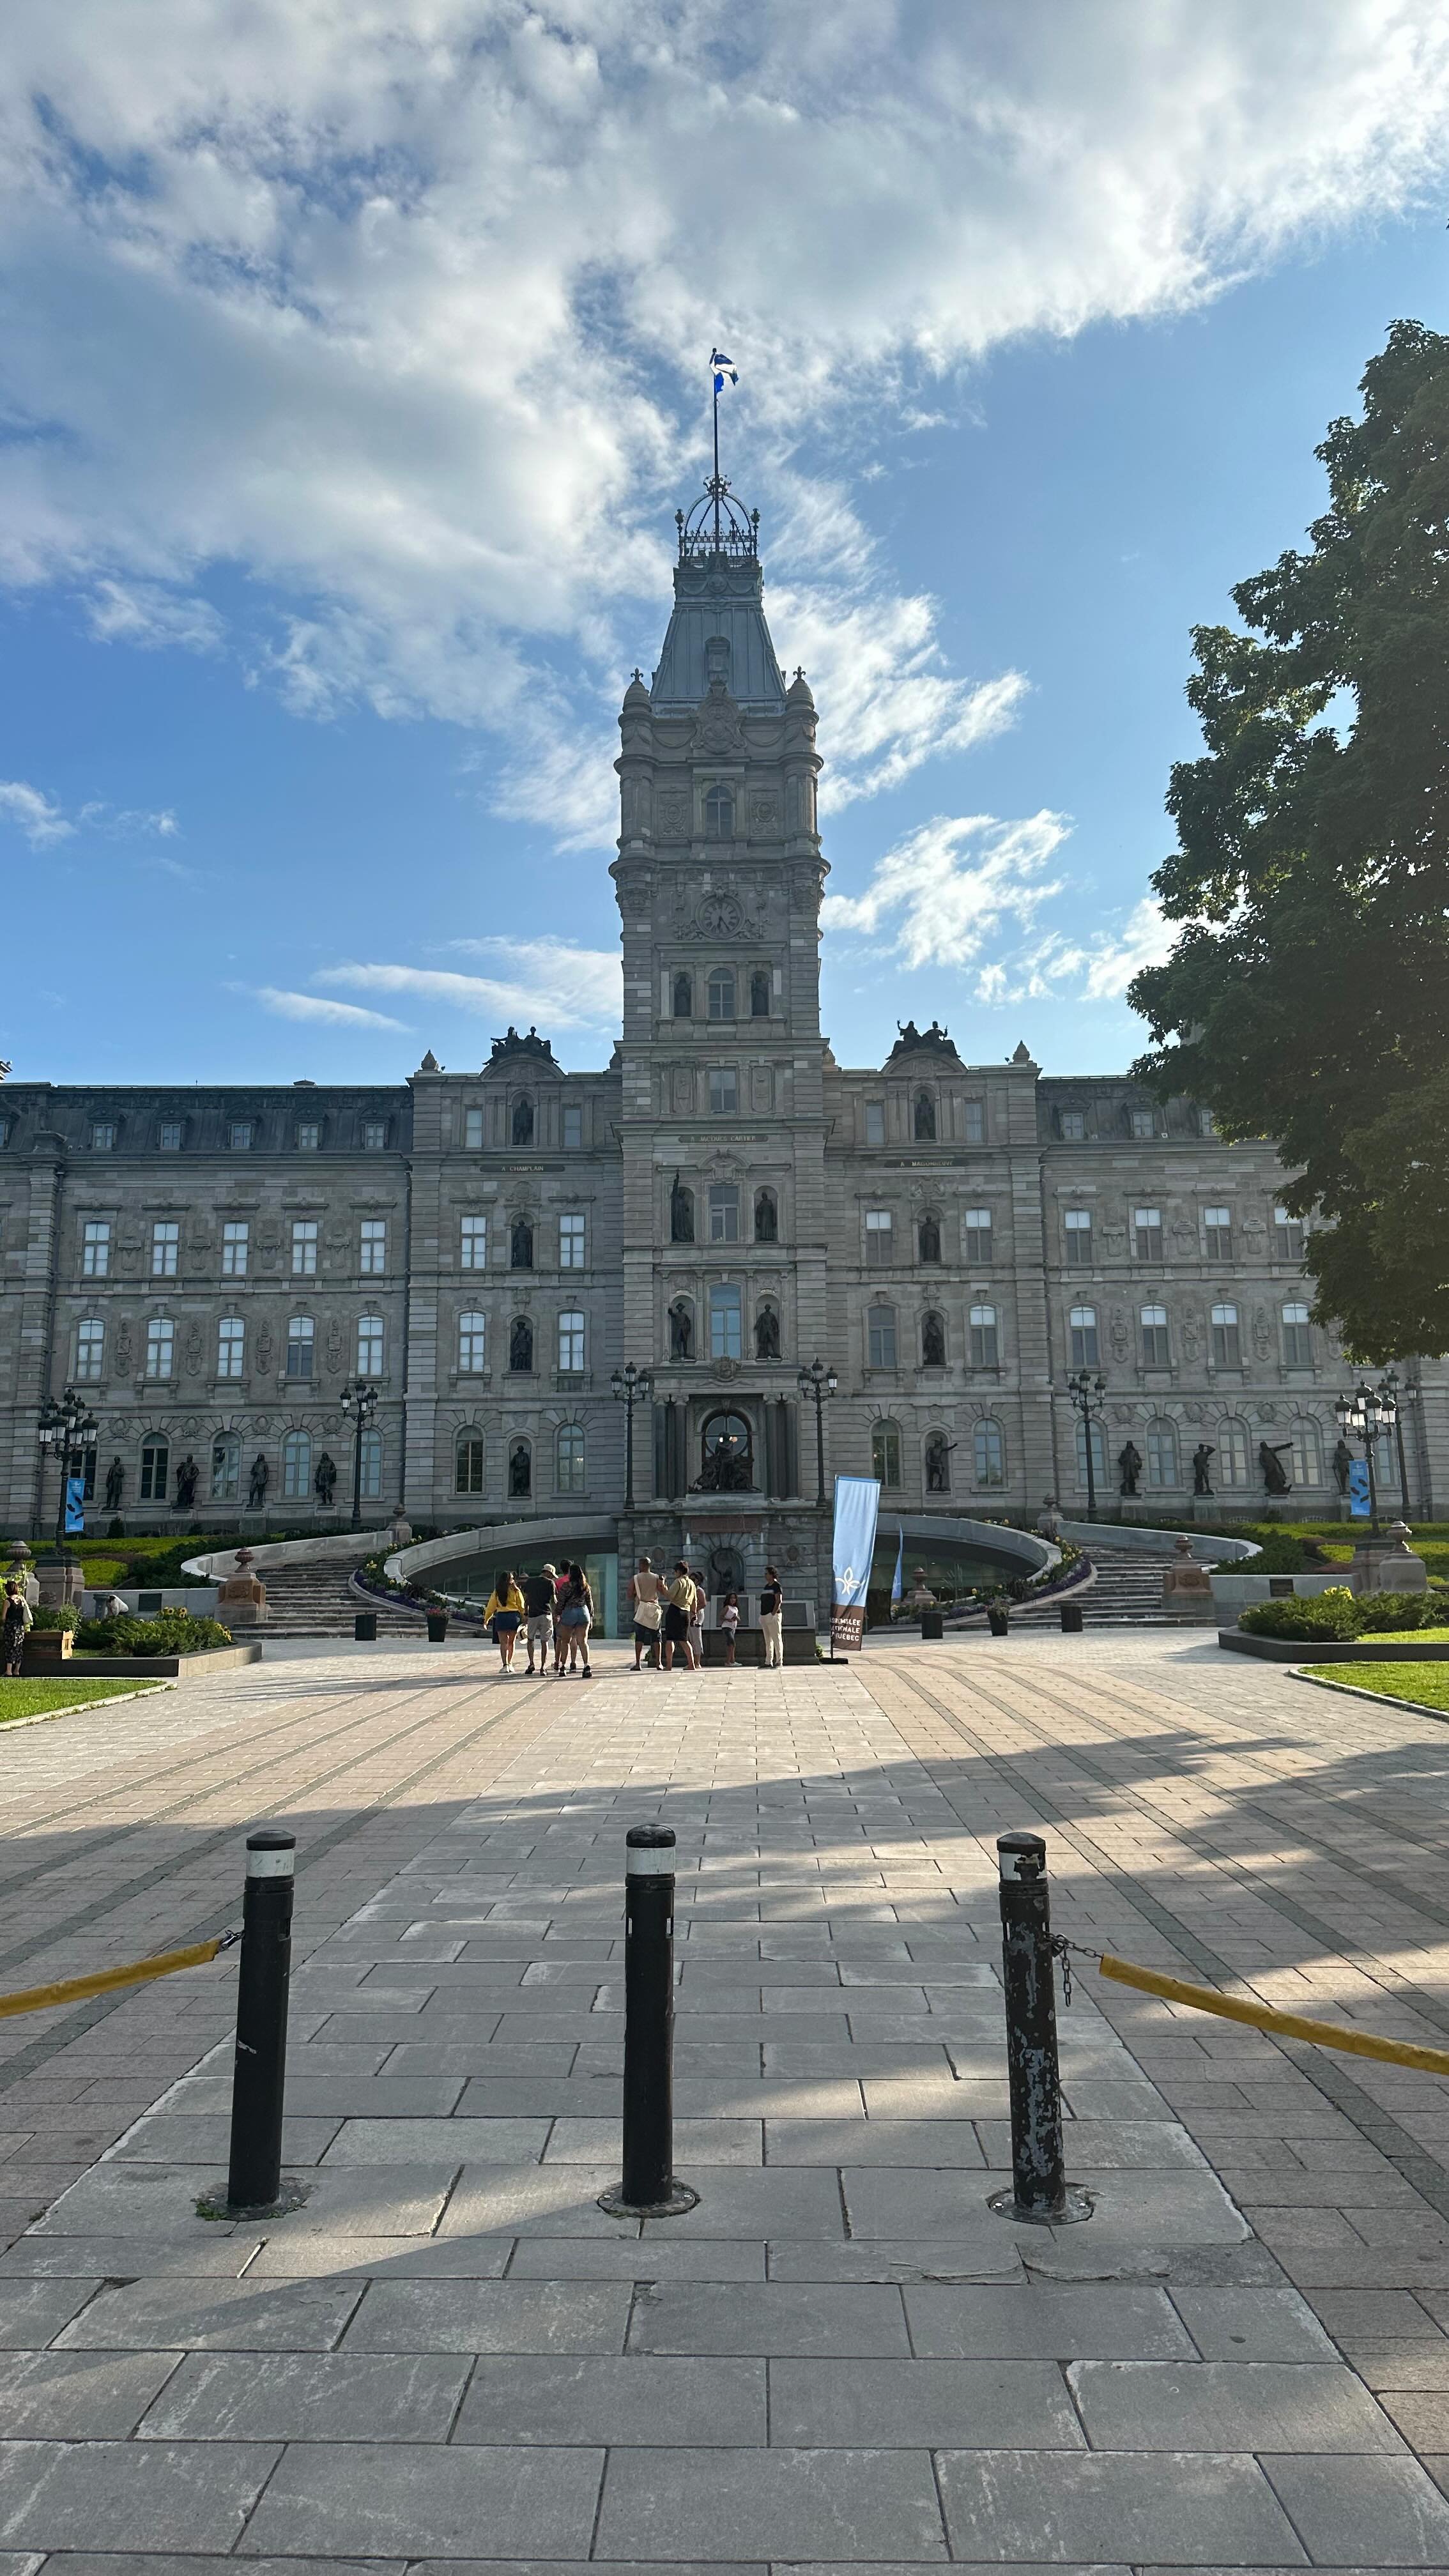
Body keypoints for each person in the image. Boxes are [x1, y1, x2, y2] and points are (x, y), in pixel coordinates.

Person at [484, 1568, 525, 1673]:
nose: (513, 1580)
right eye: (512, 1578)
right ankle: (510, 1664)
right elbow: (521, 1605)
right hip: (514, 1617)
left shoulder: (497, 1591)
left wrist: (486, 1619)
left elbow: (491, 1606)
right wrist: (524, 1617)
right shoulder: (516, 1590)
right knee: (512, 1642)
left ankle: (505, 1664)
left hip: (501, 1617)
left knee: (503, 1643)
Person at [628, 1554, 663, 1671]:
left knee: (639, 1637)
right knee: (656, 1637)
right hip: (654, 1610)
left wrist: (636, 1594)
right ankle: (659, 1663)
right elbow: (663, 1591)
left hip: (641, 1610)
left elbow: (629, 1594)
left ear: (642, 1565)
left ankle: (638, 1664)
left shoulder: (635, 1578)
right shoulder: (656, 1577)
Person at [558, 1561, 594, 1676]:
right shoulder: (586, 1587)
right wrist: (591, 1617)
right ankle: (586, 1666)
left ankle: (563, 1667)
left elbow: (561, 1602)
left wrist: (557, 1614)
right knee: (583, 1642)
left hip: (569, 1613)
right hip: (583, 1613)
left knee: (566, 1641)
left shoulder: (566, 1586)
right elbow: (590, 1603)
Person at [661, 1559, 696, 1673]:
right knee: (684, 1640)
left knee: (670, 1639)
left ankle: (669, 1665)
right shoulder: (692, 1583)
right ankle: (692, 1664)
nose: (675, 1574)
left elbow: (670, 1596)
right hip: (686, 1613)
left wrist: (663, 1587)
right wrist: (694, 1613)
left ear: (679, 1571)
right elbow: (695, 1601)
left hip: (675, 1611)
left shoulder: (678, 1582)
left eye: (675, 1571)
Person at [521, 1564, 556, 1675]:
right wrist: (556, 1615)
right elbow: (554, 1600)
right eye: (552, 1575)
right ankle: (543, 1668)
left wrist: (525, 1613)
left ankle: (531, 1663)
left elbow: (526, 1599)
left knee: (530, 1639)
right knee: (544, 1641)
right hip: (546, 1614)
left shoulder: (530, 1581)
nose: (552, 1577)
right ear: (548, 1573)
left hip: (533, 1614)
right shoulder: (550, 1583)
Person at [1, 1583, 32, 1676]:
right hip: (20, 1628)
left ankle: (9, 1671)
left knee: (10, 1648)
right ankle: (17, 1671)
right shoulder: (21, 1599)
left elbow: (3, 1617)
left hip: (10, 1628)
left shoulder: (7, 1601)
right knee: (18, 1648)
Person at [758, 1563, 784, 1669]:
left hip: (773, 1615)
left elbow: (779, 1601)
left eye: (767, 1573)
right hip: (764, 1615)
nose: (765, 1575)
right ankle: (768, 1661)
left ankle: (779, 1661)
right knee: (768, 1640)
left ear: (772, 1574)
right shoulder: (766, 1586)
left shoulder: (776, 1586)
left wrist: (773, 1614)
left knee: (776, 1638)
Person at [552, 1560, 572, 1675]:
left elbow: (555, 1599)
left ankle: (557, 1662)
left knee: (559, 1639)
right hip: (574, 1611)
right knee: (573, 1639)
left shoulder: (558, 1582)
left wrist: (556, 1613)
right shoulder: (577, 1581)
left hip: (562, 1612)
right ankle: (573, 1663)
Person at [687, 1565, 706, 1671]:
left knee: (697, 1639)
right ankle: (692, 1662)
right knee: (691, 1639)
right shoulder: (690, 1590)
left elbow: (703, 1604)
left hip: (697, 1615)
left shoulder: (699, 1591)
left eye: (693, 1580)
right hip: (690, 1614)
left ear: (698, 1581)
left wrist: (693, 1609)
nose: (691, 1581)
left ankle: (697, 1662)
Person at [720, 1589, 740, 1666]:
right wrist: (728, 1619)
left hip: (733, 1628)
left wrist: (736, 1618)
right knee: (732, 1643)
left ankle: (730, 1661)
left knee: (730, 1644)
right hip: (727, 1627)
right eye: (731, 1598)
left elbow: (739, 1619)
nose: (733, 1599)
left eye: (734, 1598)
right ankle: (730, 1661)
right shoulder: (727, 1607)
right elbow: (721, 1617)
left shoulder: (736, 1609)